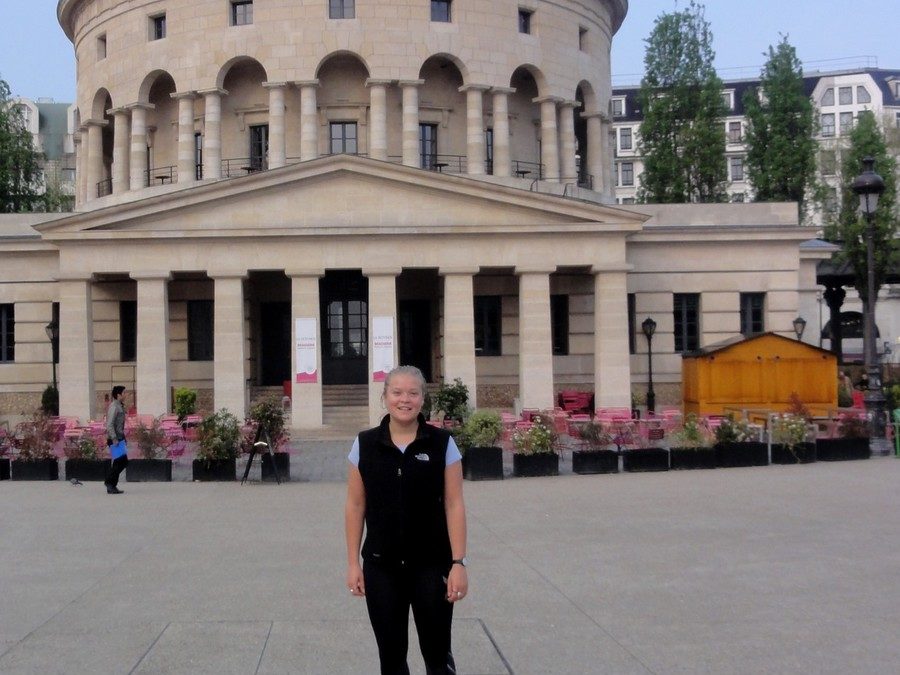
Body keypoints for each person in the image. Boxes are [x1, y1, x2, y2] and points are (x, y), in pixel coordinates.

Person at [345, 365, 468, 675]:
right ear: (385, 397)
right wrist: (352, 564)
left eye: (413, 393)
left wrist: (458, 563)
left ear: (422, 400)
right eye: (397, 392)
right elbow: (355, 505)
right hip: (381, 568)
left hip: (432, 566)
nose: (405, 399)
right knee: (391, 657)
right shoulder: (365, 444)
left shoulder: (442, 444)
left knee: (437, 656)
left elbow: (454, 504)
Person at [104, 385, 128, 494]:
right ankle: (110, 483)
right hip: (115, 438)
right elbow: (109, 424)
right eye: (124, 393)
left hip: (119, 437)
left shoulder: (119, 405)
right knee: (120, 462)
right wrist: (114, 438)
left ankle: (112, 485)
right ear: (118, 395)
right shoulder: (114, 406)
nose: (126, 395)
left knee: (120, 462)